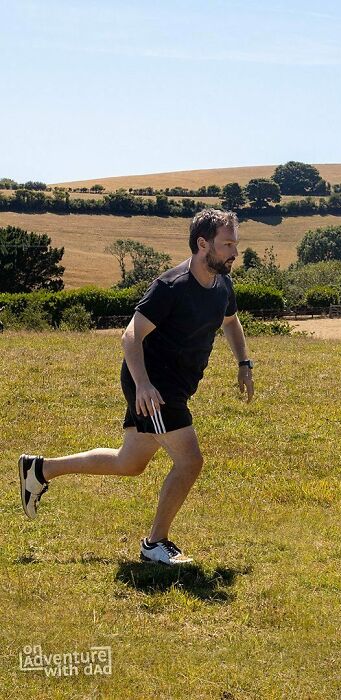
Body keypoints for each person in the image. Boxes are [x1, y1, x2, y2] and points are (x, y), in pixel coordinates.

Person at [19, 208, 254, 565]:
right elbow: (131, 336)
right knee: (190, 461)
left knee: (129, 462)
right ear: (202, 243)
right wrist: (143, 385)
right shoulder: (170, 286)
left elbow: (231, 322)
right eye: (227, 244)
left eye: (235, 244)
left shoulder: (222, 285)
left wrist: (244, 363)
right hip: (155, 386)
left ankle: (40, 469)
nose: (234, 252)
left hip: (173, 385)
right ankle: (155, 544)